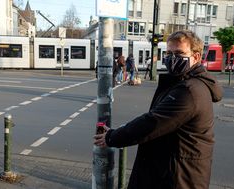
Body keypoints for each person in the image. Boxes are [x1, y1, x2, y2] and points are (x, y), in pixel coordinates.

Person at [94, 30, 223, 189]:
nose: (172, 58)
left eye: (179, 53)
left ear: (196, 57)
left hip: (177, 178)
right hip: (172, 170)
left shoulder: (190, 91)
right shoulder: (182, 83)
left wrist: (112, 137)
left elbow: (153, 122)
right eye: (169, 53)